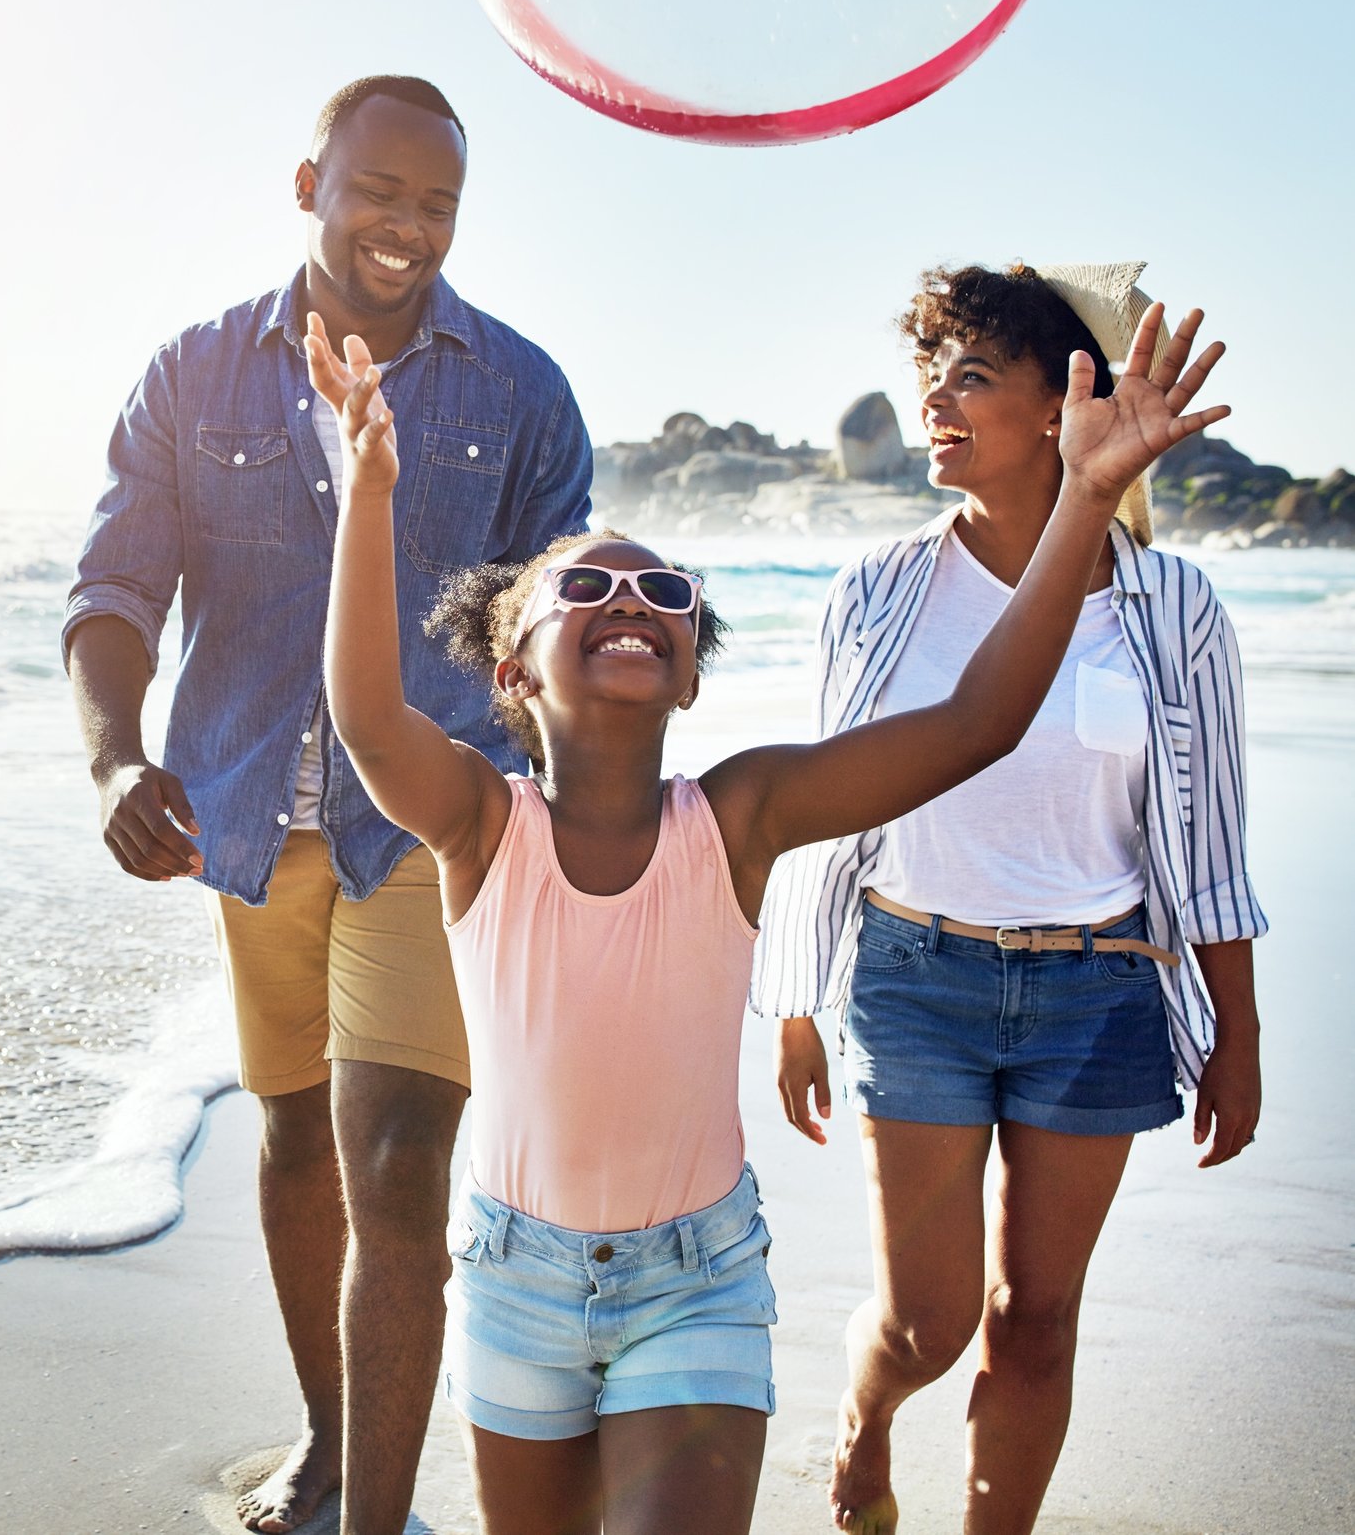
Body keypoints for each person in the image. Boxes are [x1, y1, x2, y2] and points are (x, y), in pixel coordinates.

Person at [311, 283, 1227, 1535]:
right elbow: (367, 714)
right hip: (514, 1283)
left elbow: (975, 724)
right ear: (513, 665)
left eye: (666, 597)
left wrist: (1081, 499)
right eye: (587, 588)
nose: (632, 600)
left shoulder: (737, 816)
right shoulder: (482, 823)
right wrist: (368, 485)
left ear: (689, 677)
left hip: (698, 1285)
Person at [61, 74, 593, 1534]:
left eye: (437, 202)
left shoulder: (520, 393)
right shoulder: (194, 374)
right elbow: (116, 595)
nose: (406, 227)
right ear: (311, 186)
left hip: (427, 830)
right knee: (298, 1136)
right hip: (240, 824)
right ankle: (333, 1439)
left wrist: (579, 830)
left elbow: (556, 632)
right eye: (378, 192)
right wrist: (116, 760)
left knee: (403, 1159)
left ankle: (377, 1504)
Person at [756, 263, 1266, 1535]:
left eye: (971, 374)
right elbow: (826, 808)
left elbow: (1207, 843)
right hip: (910, 974)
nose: (935, 398)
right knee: (926, 1320)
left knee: (1034, 1317)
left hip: (1098, 993)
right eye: (931, 372)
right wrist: (796, 1003)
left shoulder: (1173, 605)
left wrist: (1238, 1032)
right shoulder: (873, 590)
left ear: (1063, 403)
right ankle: (866, 1422)